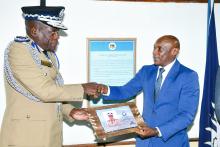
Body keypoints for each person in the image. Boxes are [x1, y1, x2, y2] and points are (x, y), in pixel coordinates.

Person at [0, 2, 99, 147]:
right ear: (34, 31)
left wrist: (70, 111)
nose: (57, 37)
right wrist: (82, 88)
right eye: (53, 32)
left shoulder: (48, 55)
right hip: (26, 138)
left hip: (49, 136)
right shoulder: (19, 50)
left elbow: (53, 90)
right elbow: (44, 90)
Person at [96, 35, 200, 147]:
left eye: (160, 49)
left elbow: (186, 115)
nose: (155, 52)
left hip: (171, 142)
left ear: (174, 51)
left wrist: (157, 131)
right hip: (144, 142)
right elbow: (125, 91)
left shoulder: (188, 76)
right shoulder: (146, 71)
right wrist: (104, 89)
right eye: (154, 48)